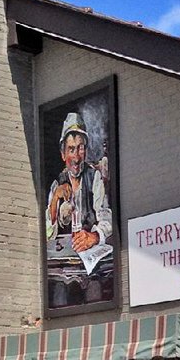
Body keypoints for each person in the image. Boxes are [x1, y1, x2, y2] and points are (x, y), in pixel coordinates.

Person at [45, 112, 113, 308]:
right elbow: (48, 232)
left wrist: (94, 236)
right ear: (63, 154)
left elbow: (107, 219)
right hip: (63, 266)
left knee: (94, 298)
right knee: (59, 298)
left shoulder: (94, 178)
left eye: (80, 149)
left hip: (90, 265)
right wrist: (55, 201)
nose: (76, 156)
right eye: (71, 149)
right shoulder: (57, 183)